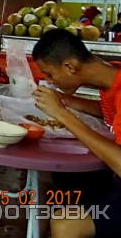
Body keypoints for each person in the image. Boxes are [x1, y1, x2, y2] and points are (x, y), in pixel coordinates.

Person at [32, 29, 121, 238]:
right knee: (49, 179)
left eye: (50, 74)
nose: (50, 81)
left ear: (69, 66)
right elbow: (112, 112)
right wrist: (68, 101)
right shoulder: (111, 78)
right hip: (113, 178)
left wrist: (62, 114)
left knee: (66, 224)